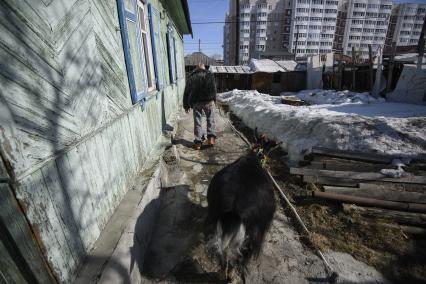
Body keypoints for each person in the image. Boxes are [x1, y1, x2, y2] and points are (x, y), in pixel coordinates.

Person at [183, 63, 217, 150]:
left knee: (197, 121)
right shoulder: (209, 75)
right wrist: (214, 99)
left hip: (196, 103)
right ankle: (211, 138)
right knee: (210, 119)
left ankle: (198, 143)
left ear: (196, 69)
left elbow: (187, 91)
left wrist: (186, 105)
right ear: (204, 68)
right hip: (208, 101)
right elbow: (213, 88)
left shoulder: (191, 77)